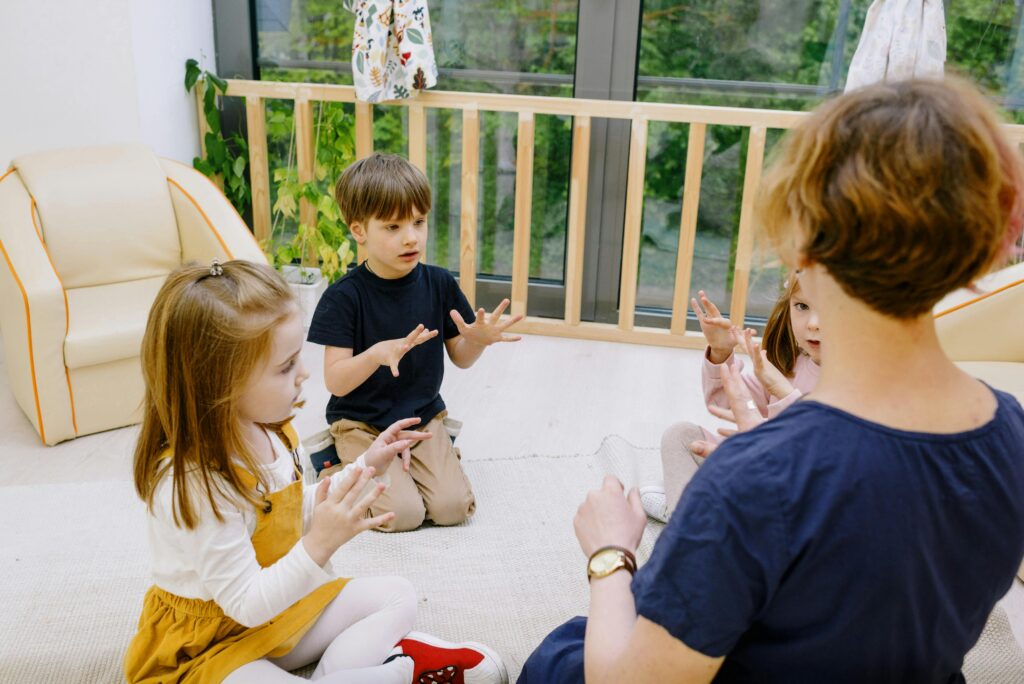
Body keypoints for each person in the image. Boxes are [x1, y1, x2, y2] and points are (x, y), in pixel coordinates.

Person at [520, 77, 1024, 683]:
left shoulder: (755, 479)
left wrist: (611, 554)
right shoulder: (1011, 432)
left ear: (807, 246)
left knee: (562, 654)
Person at [123, 260, 508, 683]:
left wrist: (365, 465)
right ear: (221, 383)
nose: (305, 373)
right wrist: (319, 544)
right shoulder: (198, 483)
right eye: (286, 366)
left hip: (275, 617)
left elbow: (286, 511)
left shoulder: (271, 434)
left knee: (397, 595)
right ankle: (400, 673)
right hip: (205, 646)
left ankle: (361, 673)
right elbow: (247, 601)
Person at [307, 153, 523, 532]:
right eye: (392, 227)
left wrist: (479, 340)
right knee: (403, 516)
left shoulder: (439, 283)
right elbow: (336, 382)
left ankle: (435, 450)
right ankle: (337, 461)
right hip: (362, 425)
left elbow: (461, 357)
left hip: (420, 415)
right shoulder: (344, 297)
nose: (411, 237)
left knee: (453, 509)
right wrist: (375, 355)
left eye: (418, 222)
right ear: (359, 231)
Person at [640, 276, 820, 522]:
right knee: (680, 435)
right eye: (802, 306)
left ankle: (686, 510)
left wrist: (783, 392)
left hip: (797, 491)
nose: (814, 324)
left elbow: (820, 455)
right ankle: (683, 512)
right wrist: (721, 352)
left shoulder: (861, 382)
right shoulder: (787, 362)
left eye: (829, 310)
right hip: (753, 469)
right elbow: (723, 404)